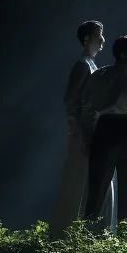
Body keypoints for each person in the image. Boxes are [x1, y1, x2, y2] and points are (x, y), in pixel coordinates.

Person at [80, 35, 127, 227]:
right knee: (126, 188)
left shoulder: (99, 76)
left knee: (97, 186)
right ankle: (122, 236)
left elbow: (87, 107)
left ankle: (88, 234)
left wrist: (89, 136)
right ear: (124, 54)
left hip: (105, 130)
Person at [51, 20, 112, 236]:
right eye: (99, 35)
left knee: (91, 181)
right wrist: (78, 133)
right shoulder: (83, 66)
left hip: (91, 131)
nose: (103, 40)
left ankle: (88, 230)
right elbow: (71, 102)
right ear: (87, 39)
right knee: (80, 181)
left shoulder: (91, 65)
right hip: (83, 134)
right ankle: (69, 231)